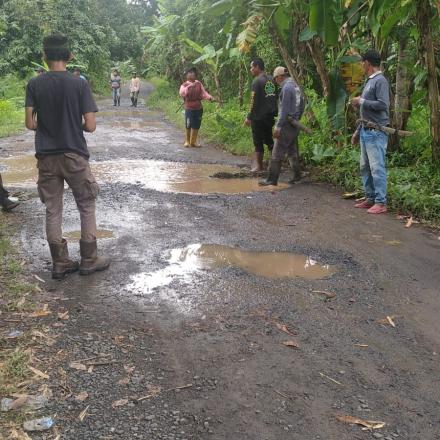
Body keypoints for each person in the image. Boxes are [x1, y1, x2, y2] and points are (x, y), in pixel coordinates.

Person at [25, 33, 110, 279]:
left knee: (52, 208)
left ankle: (60, 263)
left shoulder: (34, 84)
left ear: (45, 56)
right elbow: (91, 126)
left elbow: (30, 124)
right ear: (69, 56)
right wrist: (74, 124)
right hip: (74, 154)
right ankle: (88, 259)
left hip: (46, 158)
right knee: (86, 204)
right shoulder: (79, 83)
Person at [351, 50, 390, 215]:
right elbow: (366, 110)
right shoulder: (370, 81)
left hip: (376, 131)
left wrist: (362, 101)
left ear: (367, 63)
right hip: (366, 130)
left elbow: (383, 104)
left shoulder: (380, 80)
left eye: (362, 62)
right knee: (365, 167)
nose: (361, 65)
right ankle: (370, 197)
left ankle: (381, 202)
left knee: (376, 167)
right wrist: (357, 131)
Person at [259, 67, 305, 186]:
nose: (275, 81)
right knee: (292, 150)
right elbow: (302, 104)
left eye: (275, 78)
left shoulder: (286, 87)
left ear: (280, 76)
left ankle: (271, 179)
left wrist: (278, 127)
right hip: (294, 123)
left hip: (286, 124)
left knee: (277, 152)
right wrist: (297, 118)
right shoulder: (295, 85)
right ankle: (297, 175)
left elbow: (283, 109)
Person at [244, 58, 277, 172]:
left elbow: (253, 101)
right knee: (269, 140)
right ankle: (274, 165)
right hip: (270, 116)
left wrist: (249, 117)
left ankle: (259, 166)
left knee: (258, 141)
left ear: (257, 66)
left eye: (252, 67)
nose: (251, 69)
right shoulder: (272, 80)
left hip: (258, 117)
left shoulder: (256, 81)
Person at [179, 68, 213, 147]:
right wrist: (189, 87)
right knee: (188, 124)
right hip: (189, 107)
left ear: (195, 75)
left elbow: (204, 93)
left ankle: (193, 142)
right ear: (187, 75)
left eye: (192, 73)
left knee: (196, 124)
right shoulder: (184, 85)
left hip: (198, 108)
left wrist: (209, 97)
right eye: (189, 73)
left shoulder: (199, 84)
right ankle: (187, 141)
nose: (191, 75)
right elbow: (182, 93)